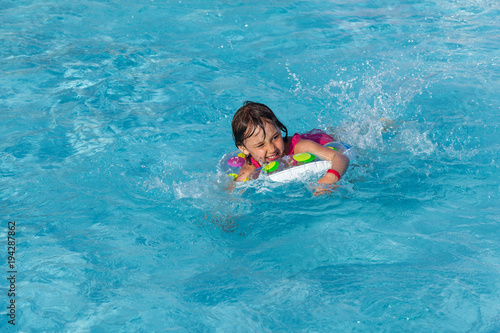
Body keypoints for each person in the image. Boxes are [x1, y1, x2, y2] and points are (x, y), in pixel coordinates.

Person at [231, 101, 349, 190]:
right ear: (243, 149)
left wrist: (331, 177)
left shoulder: (300, 147)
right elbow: (234, 195)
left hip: (322, 141)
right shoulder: (248, 170)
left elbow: (340, 157)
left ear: (279, 129)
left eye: (275, 137)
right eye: (261, 145)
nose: (272, 149)